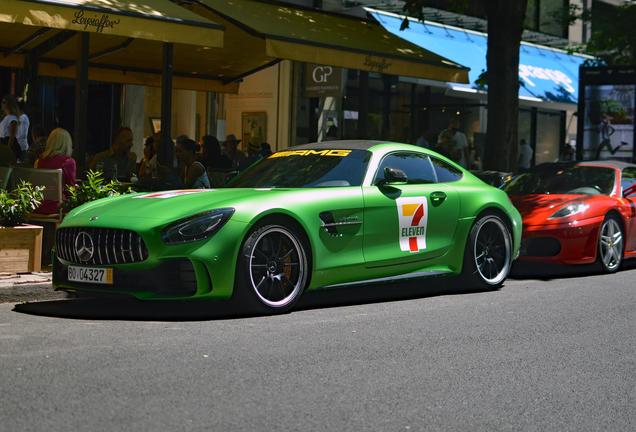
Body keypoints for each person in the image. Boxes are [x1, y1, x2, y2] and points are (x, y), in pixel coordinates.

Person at [34, 128, 76, 214]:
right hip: (57, 208)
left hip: (37, 205)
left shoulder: (39, 161)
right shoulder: (68, 162)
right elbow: (70, 190)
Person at [0, 95, 21, 162]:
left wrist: (8, 150)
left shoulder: (12, 118)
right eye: (2, 102)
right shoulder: (6, 117)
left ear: (9, 104)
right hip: (3, 143)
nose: (2, 104)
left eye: (4, 102)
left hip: (7, 143)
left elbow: (12, 136)